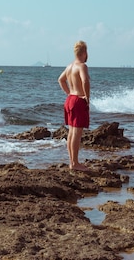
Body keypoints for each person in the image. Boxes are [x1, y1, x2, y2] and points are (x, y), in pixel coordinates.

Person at [58, 40, 90, 171]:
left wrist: (68, 92)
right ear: (84, 52)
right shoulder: (81, 66)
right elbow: (85, 80)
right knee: (76, 133)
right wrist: (87, 97)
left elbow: (61, 79)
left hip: (70, 99)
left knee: (71, 132)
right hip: (78, 100)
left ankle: (72, 162)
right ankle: (75, 163)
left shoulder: (70, 66)